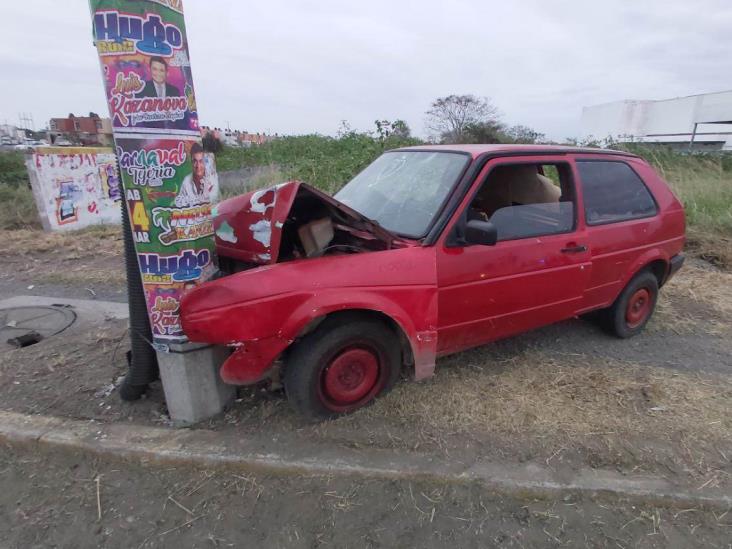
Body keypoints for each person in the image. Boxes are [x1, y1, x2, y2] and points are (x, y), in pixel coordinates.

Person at [175, 143, 209, 208]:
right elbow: (178, 202)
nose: (198, 166)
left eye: (201, 161)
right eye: (195, 161)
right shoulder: (187, 180)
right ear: (191, 162)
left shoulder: (211, 179)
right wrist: (193, 200)